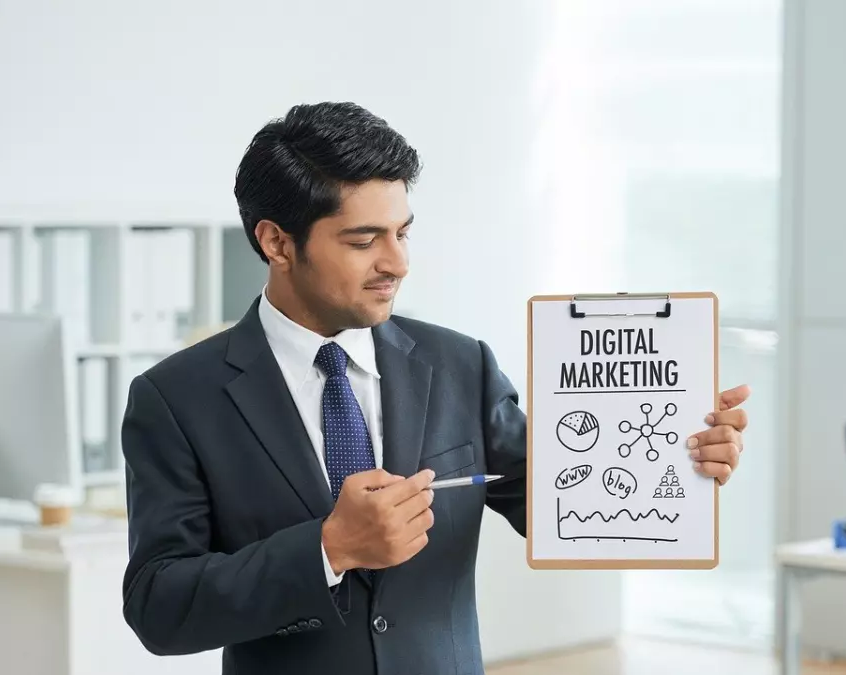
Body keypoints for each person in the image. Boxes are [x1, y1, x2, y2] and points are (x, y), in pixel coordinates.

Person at [119, 101, 751, 675]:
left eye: (403, 232)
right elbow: (159, 605)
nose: (396, 262)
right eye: (364, 240)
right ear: (276, 242)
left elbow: (565, 506)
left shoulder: (461, 365)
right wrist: (327, 548)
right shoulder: (176, 400)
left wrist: (679, 459)